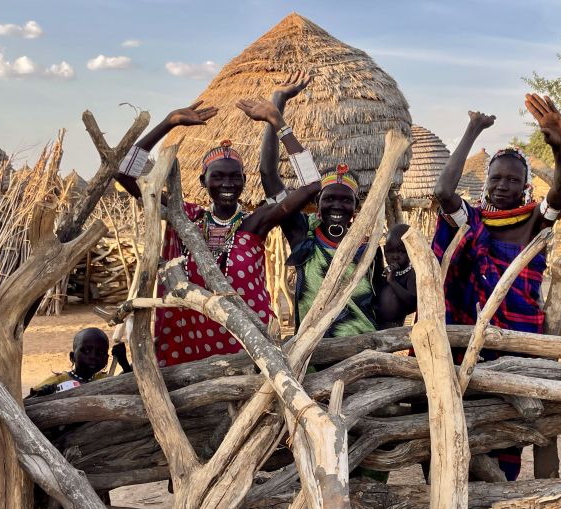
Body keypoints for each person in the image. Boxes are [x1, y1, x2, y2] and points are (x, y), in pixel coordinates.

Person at [115, 97, 324, 367]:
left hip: (249, 346)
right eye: (218, 176)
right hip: (188, 343)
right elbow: (123, 174)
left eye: (235, 176)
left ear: (244, 181)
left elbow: (311, 186)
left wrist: (279, 123)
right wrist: (168, 122)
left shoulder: (256, 222)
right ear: (203, 181)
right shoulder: (183, 217)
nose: (228, 183)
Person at [432, 93, 561, 481]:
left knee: (511, 428)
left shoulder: (535, 221)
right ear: (486, 182)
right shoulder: (471, 220)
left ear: (525, 186)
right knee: (462, 427)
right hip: (466, 344)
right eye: (496, 178)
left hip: (517, 344)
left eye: (513, 179)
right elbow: (443, 192)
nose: (502, 185)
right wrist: (472, 129)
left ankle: (511, 495)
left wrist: (560, 147)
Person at [257, 73, 384, 339]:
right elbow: (269, 176)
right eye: (329, 198)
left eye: (345, 200)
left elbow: (380, 305)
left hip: (363, 350)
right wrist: (276, 113)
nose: (337, 205)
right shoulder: (304, 235)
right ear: (317, 202)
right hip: (313, 352)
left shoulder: (368, 248)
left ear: (356, 206)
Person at [28, 328, 130, 397]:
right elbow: (27, 403)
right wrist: (43, 395)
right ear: (72, 357)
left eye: (100, 353)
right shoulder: (58, 381)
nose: (93, 357)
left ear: (106, 359)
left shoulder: (104, 379)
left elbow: (129, 386)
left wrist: (124, 363)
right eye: (86, 351)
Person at [377, 223, 417, 330]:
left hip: (395, 329)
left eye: (401, 252)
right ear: (384, 250)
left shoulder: (411, 274)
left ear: (411, 252)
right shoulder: (382, 272)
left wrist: (392, 281)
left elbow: (413, 303)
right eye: (390, 251)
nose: (395, 256)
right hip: (375, 326)